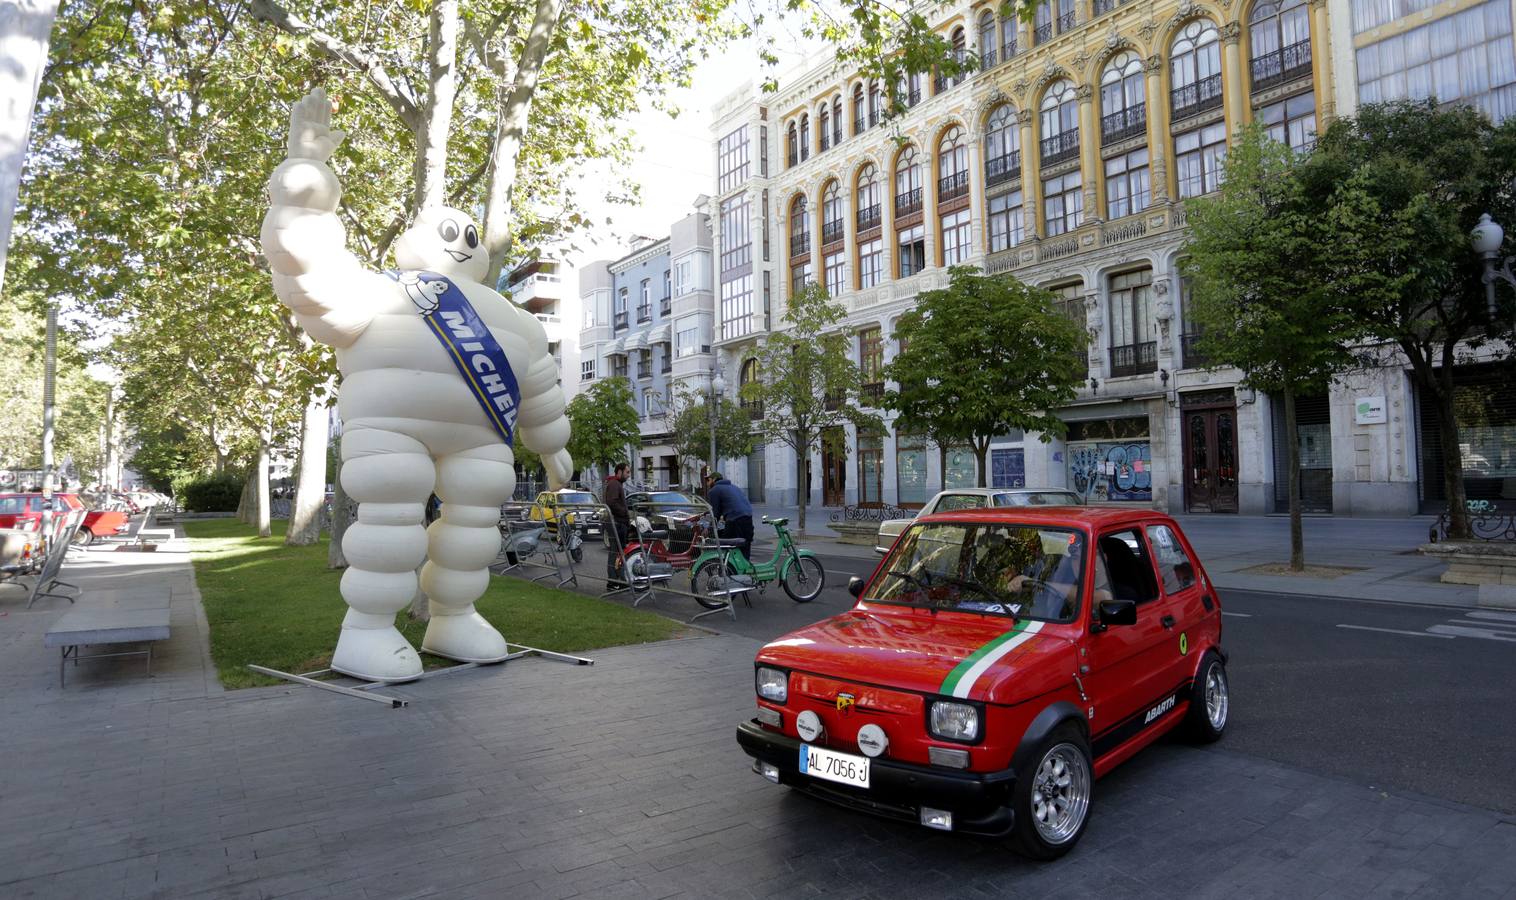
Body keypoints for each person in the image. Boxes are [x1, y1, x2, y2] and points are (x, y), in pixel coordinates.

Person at [706, 472, 754, 562]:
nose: (707, 483)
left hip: (735, 519)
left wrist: (710, 529)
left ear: (714, 480)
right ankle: (746, 570)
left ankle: (726, 572)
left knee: (725, 545)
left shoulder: (714, 490)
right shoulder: (734, 487)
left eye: (708, 480)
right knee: (745, 546)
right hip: (748, 518)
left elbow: (715, 514)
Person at [603, 462, 632, 583]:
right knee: (615, 552)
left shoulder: (616, 483)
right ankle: (613, 581)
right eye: (627, 472)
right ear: (619, 472)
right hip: (617, 522)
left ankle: (617, 579)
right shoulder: (614, 484)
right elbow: (612, 503)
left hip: (618, 522)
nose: (629, 475)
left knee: (617, 552)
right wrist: (624, 513)